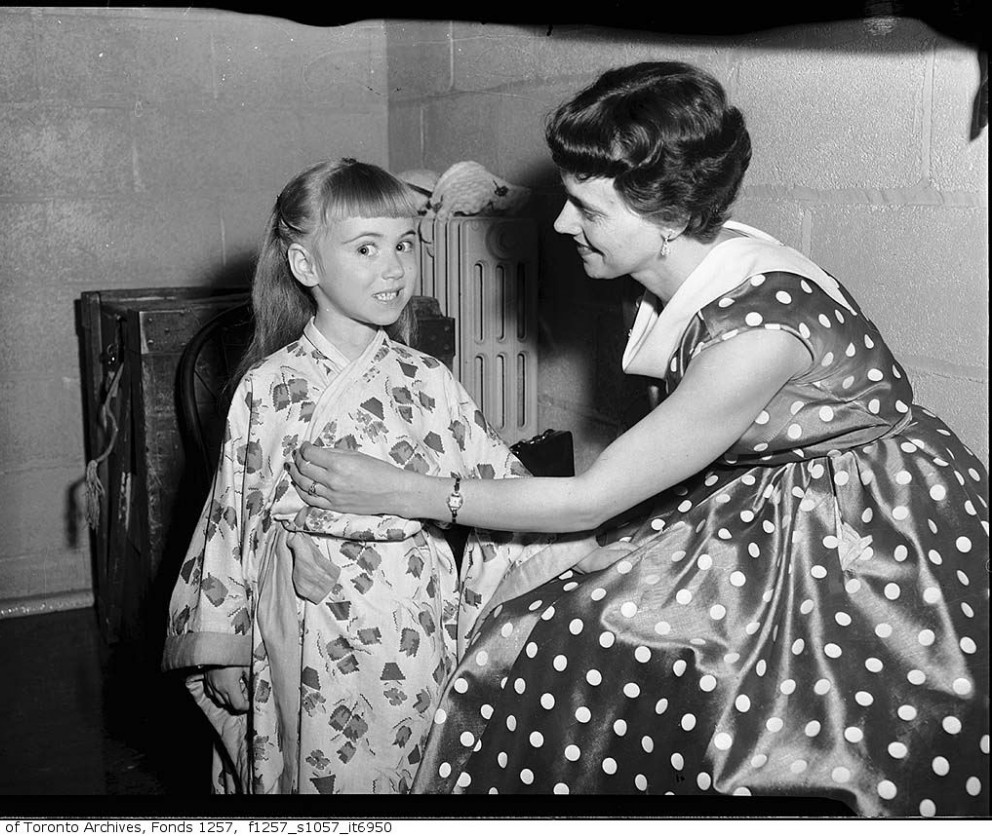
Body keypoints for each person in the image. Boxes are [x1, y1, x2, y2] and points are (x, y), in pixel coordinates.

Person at [288, 65, 990, 814]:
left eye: (587, 209)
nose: (562, 225)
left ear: (665, 215)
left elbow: (595, 496)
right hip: (771, 490)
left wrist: (399, 490)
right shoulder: (689, 264)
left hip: (867, 532)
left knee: (579, 648)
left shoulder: (756, 336)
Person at [162, 159, 590, 794]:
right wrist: (225, 643)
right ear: (306, 267)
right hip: (307, 620)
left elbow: (499, 480)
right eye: (366, 248)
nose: (393, 268)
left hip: (415, 612)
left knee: (416, 756)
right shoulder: (267, 387)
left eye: (403, 245)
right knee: (320, 767)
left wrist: (586, 537)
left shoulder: (429, 380)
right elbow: (234, 513)